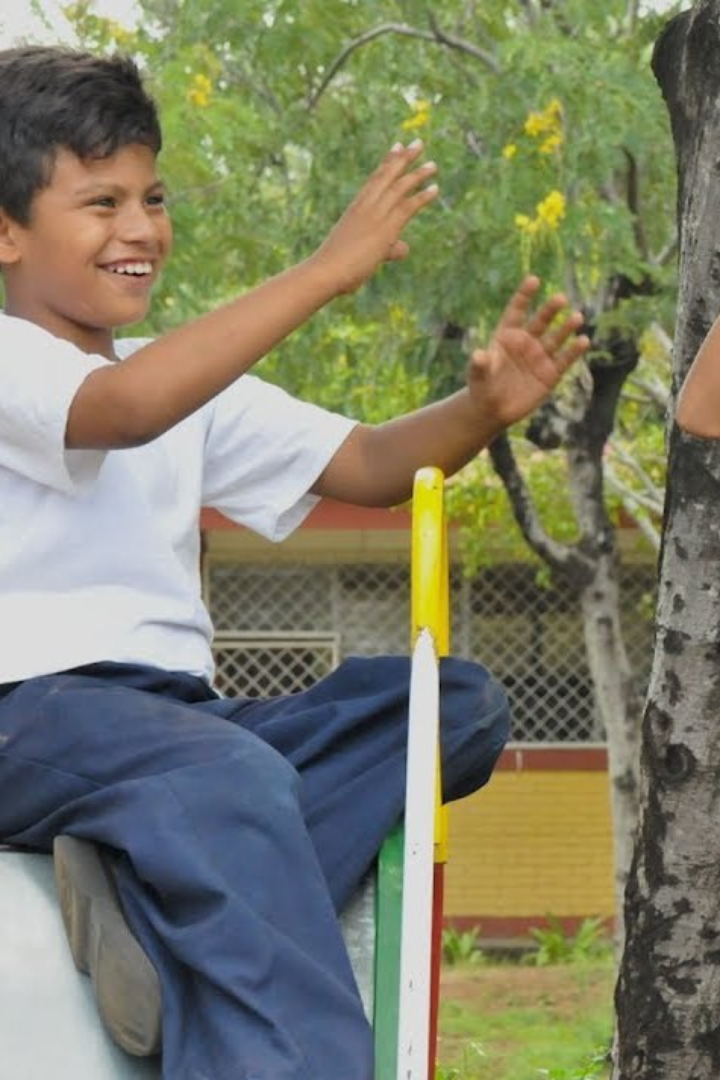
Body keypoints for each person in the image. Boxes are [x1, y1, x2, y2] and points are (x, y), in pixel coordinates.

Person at [0, 45, 589, 1080]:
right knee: (225, 777)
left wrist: (480, 409)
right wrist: (326, 269)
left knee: (446, 708)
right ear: (6, 231)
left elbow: (365, 463)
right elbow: (120, 416)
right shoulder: (20, 364)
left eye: (153, 195)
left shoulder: (178, 381)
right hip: (30, 713)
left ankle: (149, 905)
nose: (141, 229)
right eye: (100, 203)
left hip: (174, 724)